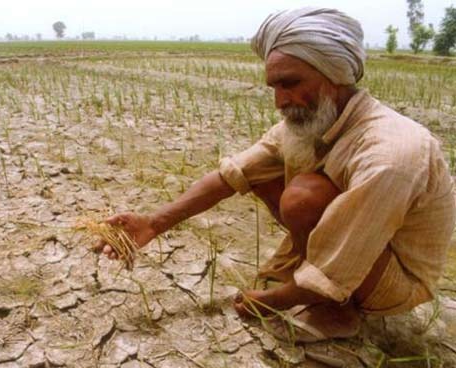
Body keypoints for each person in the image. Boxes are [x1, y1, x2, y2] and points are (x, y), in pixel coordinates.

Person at [96, 8, 456, 342]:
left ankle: (338, 310)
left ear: (334, 76)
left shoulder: (389, 153)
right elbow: (231, 176)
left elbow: (352, 247)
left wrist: (271, 300)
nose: (280, 100)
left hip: (394, 280)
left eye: (291, 83)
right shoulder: (311, 121)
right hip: (358, 247)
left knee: (304, 197)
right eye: (275, 87)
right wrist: (152, 224)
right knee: (264, 175)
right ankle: (309, 279)